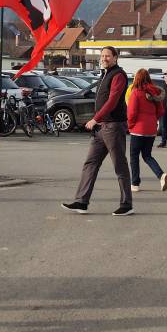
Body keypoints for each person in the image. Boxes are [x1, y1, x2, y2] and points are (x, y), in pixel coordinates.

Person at [61, 47, 134, 214]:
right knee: (90, 163)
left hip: (113, 126)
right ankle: (81, 202)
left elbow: (113, 101)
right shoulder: (105, 74)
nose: (104, 58)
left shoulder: (118, 75)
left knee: (119, 165)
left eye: (108, 56)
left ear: (115, 57)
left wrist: (95, 118)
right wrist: (97, 120)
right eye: (102, 56)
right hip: (100, 128)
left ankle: (126, 205)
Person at [126, 69, 167, 199]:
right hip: (151, 129)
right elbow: (161, 111)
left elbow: (132, 112)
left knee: (134, 156)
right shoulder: (154, 92)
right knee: (147, 155)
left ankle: (135, 183)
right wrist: (152, 119)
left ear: (137, 79)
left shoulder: (136, 92)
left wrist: (130, 125)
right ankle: (161, 175)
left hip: (138, 130)